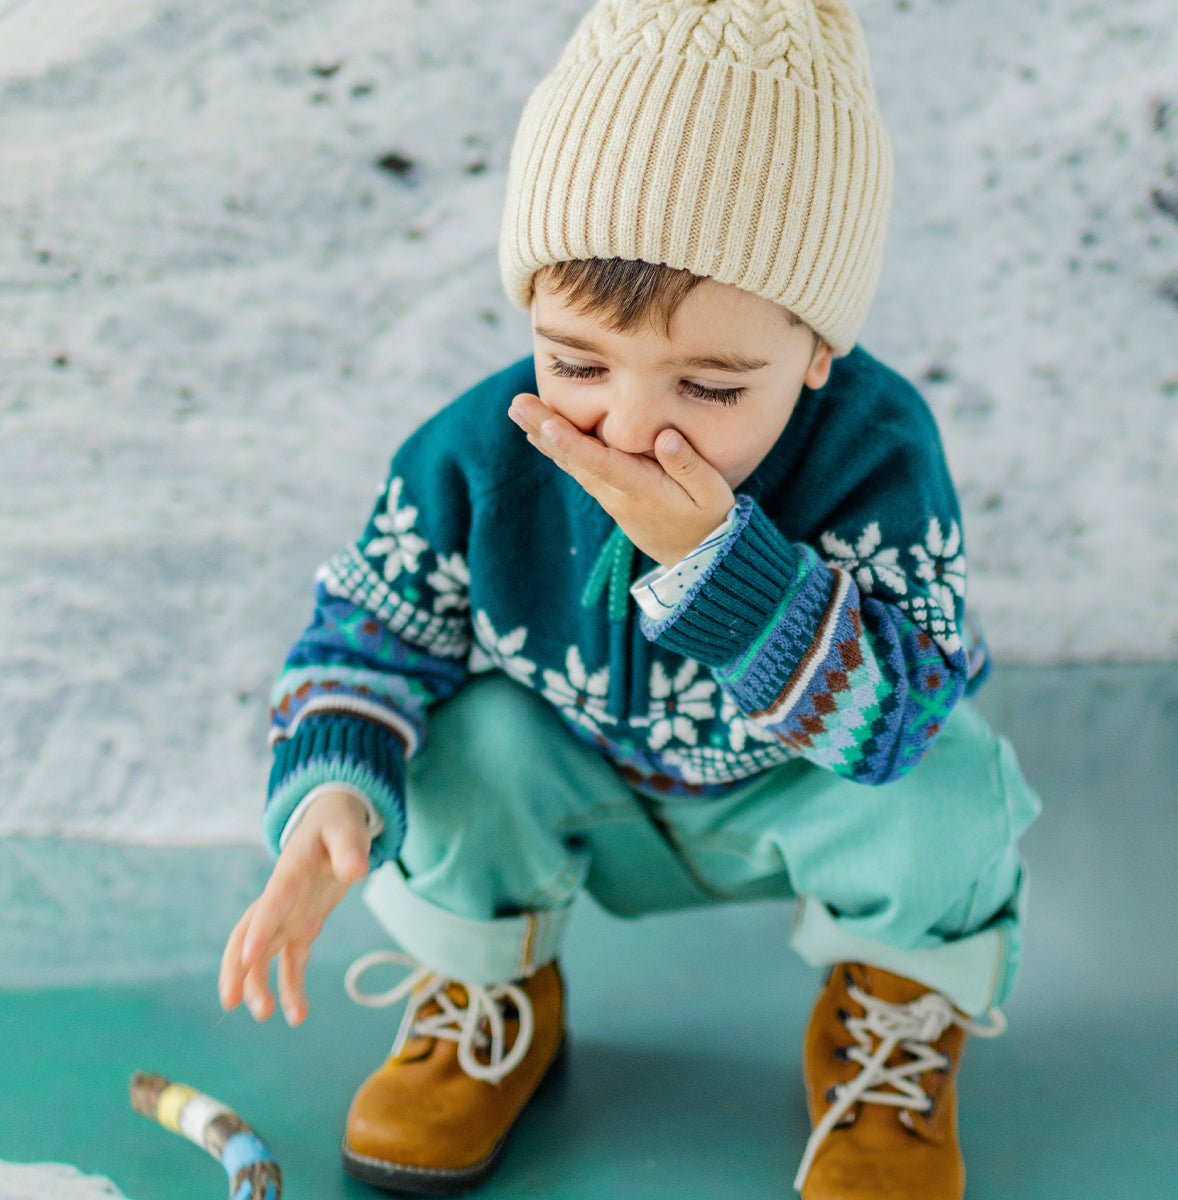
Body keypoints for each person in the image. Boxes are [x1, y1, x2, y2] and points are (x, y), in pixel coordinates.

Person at [218, 2, 1041, 1196]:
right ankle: (490, 992)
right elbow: (369, 634)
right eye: (578, 361)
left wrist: (717, 557)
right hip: (580, 783)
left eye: (709, 384)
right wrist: (334, 785)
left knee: (954, 784)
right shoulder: (476, 455)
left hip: (802, 791)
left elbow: (895, 722)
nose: (630, 424)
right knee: (459, 747)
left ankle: (892, 1022)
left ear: (816, 349)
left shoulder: (879, 453)